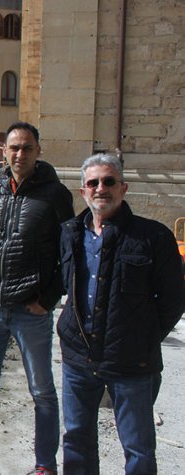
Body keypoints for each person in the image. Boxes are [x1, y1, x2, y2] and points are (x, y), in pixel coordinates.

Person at [0, 122, 74, 475]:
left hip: (30, 310)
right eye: (14, 148)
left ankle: (45, 466)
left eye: (27, 148)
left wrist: (49, 298)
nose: (20, 154)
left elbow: (69, 254)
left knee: (42, 392)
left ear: (38, 151)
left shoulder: (55, 195)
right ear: (4, 152)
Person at [58, 153, 184, 474]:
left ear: (123, 188)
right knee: (76, 441)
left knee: (138, 447)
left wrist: (143, 338)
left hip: (132, 363)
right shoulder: (70, 233)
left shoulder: (152, 237)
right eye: (93, 183)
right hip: (78, 360)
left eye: (109, 181)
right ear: (83, 191)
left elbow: (173, 299)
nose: (102, 188)